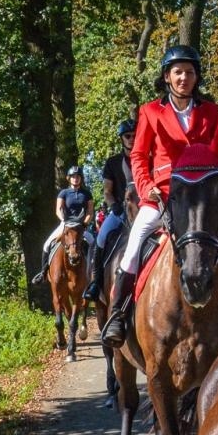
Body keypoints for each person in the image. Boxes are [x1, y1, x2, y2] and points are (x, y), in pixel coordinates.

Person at [101, 44, 218, 347]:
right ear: (167, 77)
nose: (184, 77)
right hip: (163, 195)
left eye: (189, 72)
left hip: (201, 200)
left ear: (197, 77)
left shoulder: (211, 112)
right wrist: (146, 188)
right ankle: (117, 314)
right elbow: (139, 156)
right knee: (134, 244)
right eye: (178, 72)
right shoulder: (150, 112)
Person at [89, 119, 138, 300]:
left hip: (145, 208)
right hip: (121, 210)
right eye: (128, 136)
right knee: (100, 238)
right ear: (121, 139)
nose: (132, 139)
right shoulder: (113, 162)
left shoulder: (148, 159)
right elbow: (107, 192)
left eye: (134, 136)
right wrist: (114, 206)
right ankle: (96, 283)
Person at [33, 166, 93, 285]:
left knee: (93, 243)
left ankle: (95, 274)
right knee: (47, 244)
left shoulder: (86, 194)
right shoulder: (63, 193)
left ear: (81, 178)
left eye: (78, 176)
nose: (75, 179)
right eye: (73, 177)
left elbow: (90, 212)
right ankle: (43, 273)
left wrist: (85, 224)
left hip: (80, 226)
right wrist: (64, 220)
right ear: (69, 178)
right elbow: (58, 210)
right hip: (65, 224)